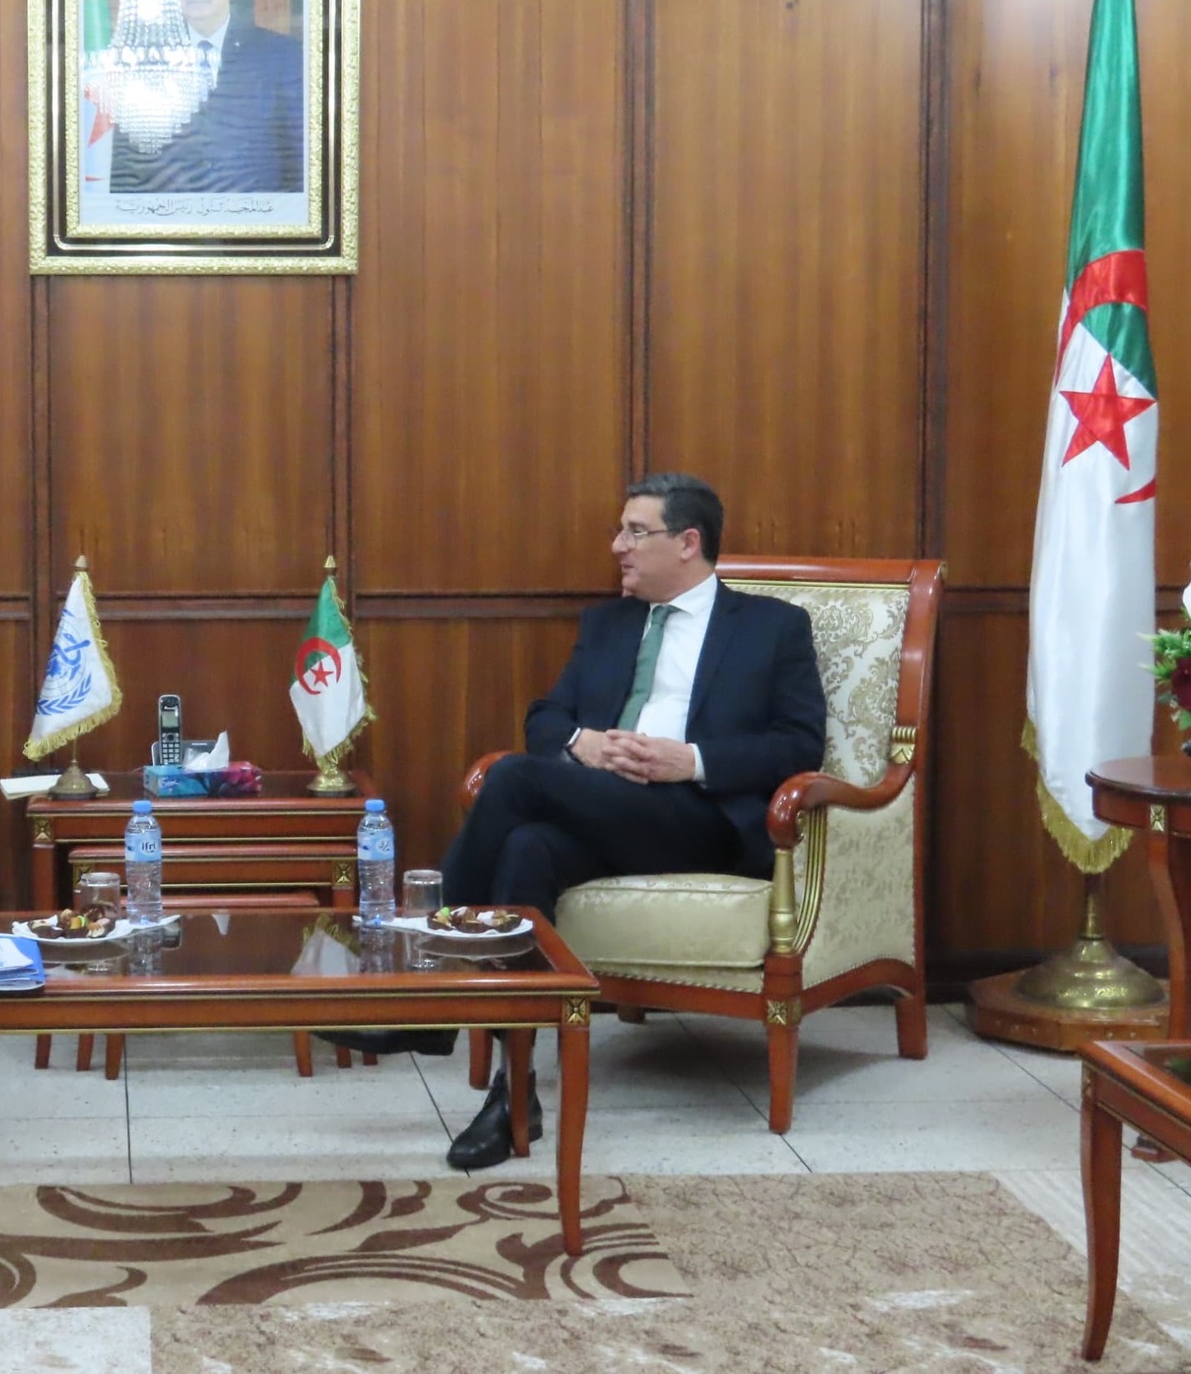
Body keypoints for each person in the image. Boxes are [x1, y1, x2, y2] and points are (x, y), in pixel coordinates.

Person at [332, 474, 828, 1170]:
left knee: (511, 779)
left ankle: (426, 996)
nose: (617, 545)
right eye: (620, 530)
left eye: (635, 531)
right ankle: (513, 1095)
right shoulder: (609, 624)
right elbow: (546, 718)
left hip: (700, 818)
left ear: (688, 542)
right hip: (603, 808)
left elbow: (800, 744)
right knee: (527, 847)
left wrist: (690, 759)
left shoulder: (771, 627)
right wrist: (582, 744)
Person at [110, 0, 304, 195]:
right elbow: (125, 167)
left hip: (255, 218)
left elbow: (301, 167)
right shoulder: (142, 60)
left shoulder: (280, 55)